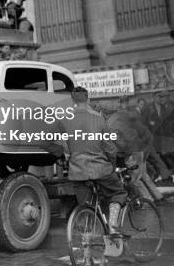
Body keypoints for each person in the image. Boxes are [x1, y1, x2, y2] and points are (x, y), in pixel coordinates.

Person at [48, 87, 126, 237]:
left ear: (72, 100)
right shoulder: (98, 118)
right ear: (88, 99)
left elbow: (48, 141)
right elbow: (110, 148)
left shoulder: (65, 119)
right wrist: (112, 164)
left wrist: (64, 155)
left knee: (86, 209)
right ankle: (113, 223)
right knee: (118, 192)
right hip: (100, 169)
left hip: (77, 172)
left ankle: (88, 248)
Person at [108, 97, 164, 203]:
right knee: (143, 175)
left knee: (134, 180)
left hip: (132, 153)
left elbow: (120, 142)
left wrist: (121, 153)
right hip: (139, 150)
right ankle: (158, 196)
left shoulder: (111, 124)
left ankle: (148, 200)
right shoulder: (126, 119)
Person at [148, 91, 174, 175]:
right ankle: (173, 168)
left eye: (163, 97)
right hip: (166, 134)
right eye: (161, 97)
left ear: (168, 97)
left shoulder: (173, 106)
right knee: (168, 152)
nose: (162, 99)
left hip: (173, 133)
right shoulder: (163, 107)